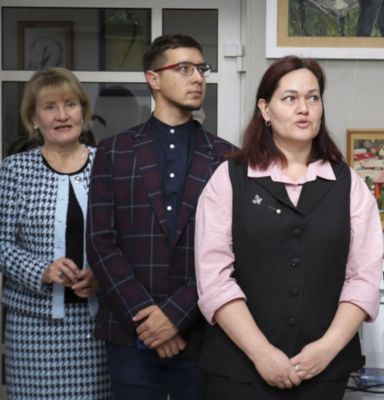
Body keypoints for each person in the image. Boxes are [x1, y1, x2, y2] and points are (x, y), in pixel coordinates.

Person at [194, 55, 384, 399]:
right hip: (238, 372)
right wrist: (261, 353)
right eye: (290, 98)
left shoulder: (349, 184)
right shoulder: (230, 178)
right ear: (265, 109)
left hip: (323, 372)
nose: (304, 109)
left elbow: (363, 279)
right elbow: (214, 278)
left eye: (313, 98)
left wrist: (326, 348)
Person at [86, 34, 235, 399]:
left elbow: (234, 249)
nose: (197, 77)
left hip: (202, 330)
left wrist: (175, 316)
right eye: (183, 68)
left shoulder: (228, 158)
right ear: (152, 78)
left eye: (201, 69)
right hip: (130, 331)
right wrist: (146, 316)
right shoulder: (113, 152)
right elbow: (100, 243)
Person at [0, 67, 111, 399]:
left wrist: (102, 274)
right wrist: (42, 270)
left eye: (70, 104)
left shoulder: (108, 165)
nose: (62, 115)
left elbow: (124, 237)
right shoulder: (15, 170)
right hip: (33, 329)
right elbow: (1, 243)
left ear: (83, 112)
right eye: (50, 107)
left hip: (97, 328)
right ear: (34, 119)